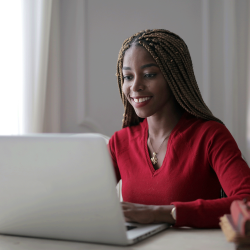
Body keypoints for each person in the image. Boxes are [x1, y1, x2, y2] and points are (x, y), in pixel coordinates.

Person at [108, 29, 250, 228]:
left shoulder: (210, 135)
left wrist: (161, 213)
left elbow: (247, 202)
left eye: (149, 74)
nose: (135, 86)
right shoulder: (119, 142)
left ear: (174, 77)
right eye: (128, 77)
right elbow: (86, 203)